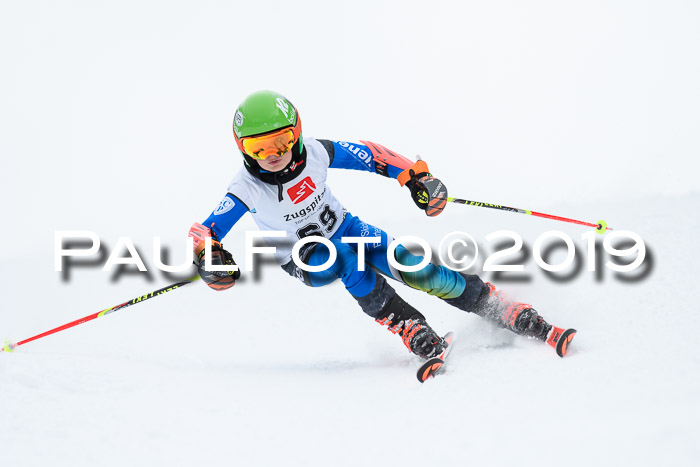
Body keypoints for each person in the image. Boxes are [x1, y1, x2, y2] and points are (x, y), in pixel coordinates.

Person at [188, 90, 575, 361]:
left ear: (297, 132)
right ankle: (407, 324)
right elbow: (208, 230)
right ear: (242, 148)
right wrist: (211, 258)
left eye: (281, 141)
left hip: (348, 228)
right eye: (258, 148)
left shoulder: (317, 154)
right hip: (302, 257)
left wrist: (417, 179)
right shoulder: (247, 187)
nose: (272, 156)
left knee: (416, 268)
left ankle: (495, 305)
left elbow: (373, 156)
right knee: (341, 259)